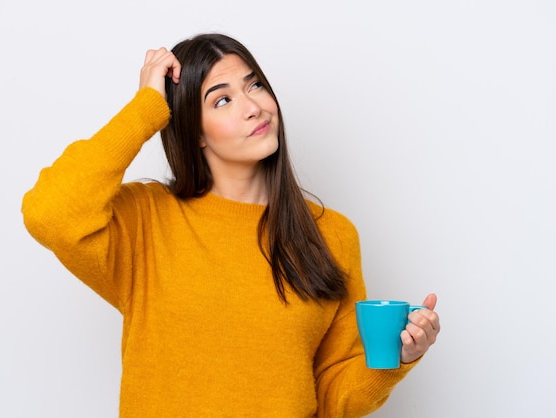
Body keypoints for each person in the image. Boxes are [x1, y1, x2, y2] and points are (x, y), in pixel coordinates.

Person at [22, 33, 440, 417]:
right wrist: (146, 109)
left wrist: (396, 360)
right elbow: (50, 212)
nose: (253, 106)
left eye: (254, 85)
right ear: (194, 131)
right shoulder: (146, 220)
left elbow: (332, 396)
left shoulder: (332, 235)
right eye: (222, 100)